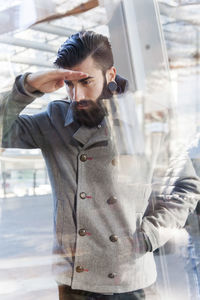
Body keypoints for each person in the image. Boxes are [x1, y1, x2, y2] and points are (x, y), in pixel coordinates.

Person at [1, 31, 200, 300]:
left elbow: (187, 186)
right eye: (69, 84)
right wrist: (28, 86)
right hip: (75, 283)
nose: (76, 95)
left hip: (132, 281)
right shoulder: (54, 121)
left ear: (110, 74)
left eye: (86, 82)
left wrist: (151, 234)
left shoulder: (146, 119)